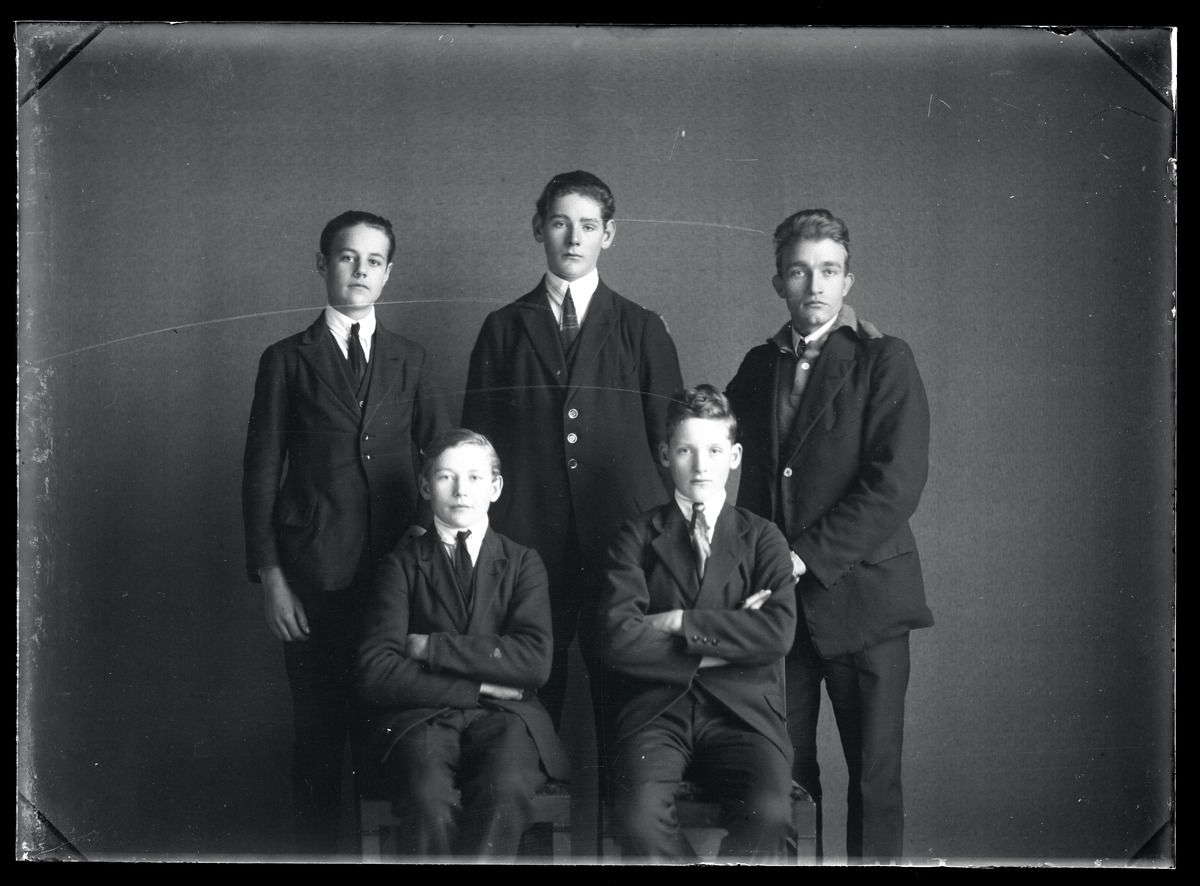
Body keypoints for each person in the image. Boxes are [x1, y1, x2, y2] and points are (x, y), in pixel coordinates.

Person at [725, 209, 933, 862]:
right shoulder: (758, 366)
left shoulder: (884, 358)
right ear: (778, 283)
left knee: (874, 781)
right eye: (799, 271)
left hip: (865, 603)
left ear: (848, 281)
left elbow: (895, 485)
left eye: (829, 270)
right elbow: (718, 452)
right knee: (784, 778)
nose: (814, 285)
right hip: (781, 611)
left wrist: (798, 556)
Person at [241, 210, 448, 853]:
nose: (360, 271)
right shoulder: (286, 359)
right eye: (347, 257)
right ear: (323, 264)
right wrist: (272, 577)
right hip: (313, 580)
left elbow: (441, 461)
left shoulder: (411, 358)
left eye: (373, 261)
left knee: (388, 741)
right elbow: (260, 474)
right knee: (318, 741)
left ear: (388, 273)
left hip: (395, 578)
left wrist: (419, 541)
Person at [461, 170, 684, 731]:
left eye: (588, 225)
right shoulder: (503, 328)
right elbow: (474, 449)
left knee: (626, 704)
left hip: (622, 543)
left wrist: (667, 543)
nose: (574, 237)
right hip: (529, 544)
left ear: (609, 234)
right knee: (531, 703)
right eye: (561, 223)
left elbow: (672, 447)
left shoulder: (642, 327)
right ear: (539, 229)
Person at [599, 385, 797, 860]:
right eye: (686, 450)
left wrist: (678, 621)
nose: (701, 466)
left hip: (743, 714)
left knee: (770, 814)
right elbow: (619, 640)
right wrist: (732, 637)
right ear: (665, 455)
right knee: (638, 816)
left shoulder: (763, 538)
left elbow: (776, 634)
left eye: (714, 451)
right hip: (656, 712)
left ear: (735, 456)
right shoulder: (635, 536)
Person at [355, 429, 569, 858]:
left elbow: (533, 662)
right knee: (426, 794)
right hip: (424, 717)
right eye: (445, 477)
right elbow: (375, 672)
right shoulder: (401, 566)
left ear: (495, 487)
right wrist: (476, 687)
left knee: (505, 786)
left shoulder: (523, 562)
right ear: (424, 486)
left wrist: (431, 648)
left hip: (507, 717)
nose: (460, 491)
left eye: (474, 477)